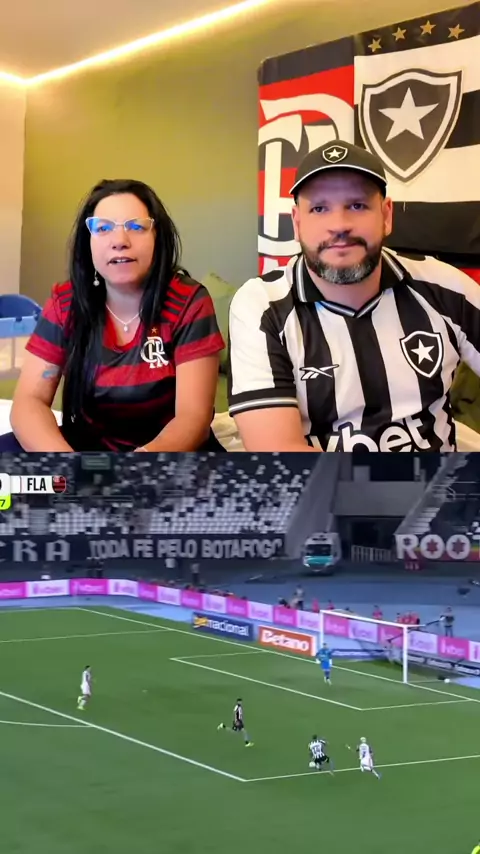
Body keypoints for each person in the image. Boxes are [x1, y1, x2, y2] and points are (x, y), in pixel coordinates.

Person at [228, 139, 480, 453]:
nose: (339, 225)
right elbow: (278, 453)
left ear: (386, 215)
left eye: (357, 205)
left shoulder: (446, 288)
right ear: (297, 223)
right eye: (319, 208)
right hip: (320, 486)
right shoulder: (262, 306)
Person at [4, 179, 225, 452]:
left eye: (136, 227)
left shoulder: (189, 301)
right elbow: (30, 401)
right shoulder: (66, 302)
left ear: (158, 237)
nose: (120, 241)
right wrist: (68, 466)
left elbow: (193, 418)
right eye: (103, 228)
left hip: (168, 455)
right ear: (88, 242)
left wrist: (133, 469)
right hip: (85, 451)